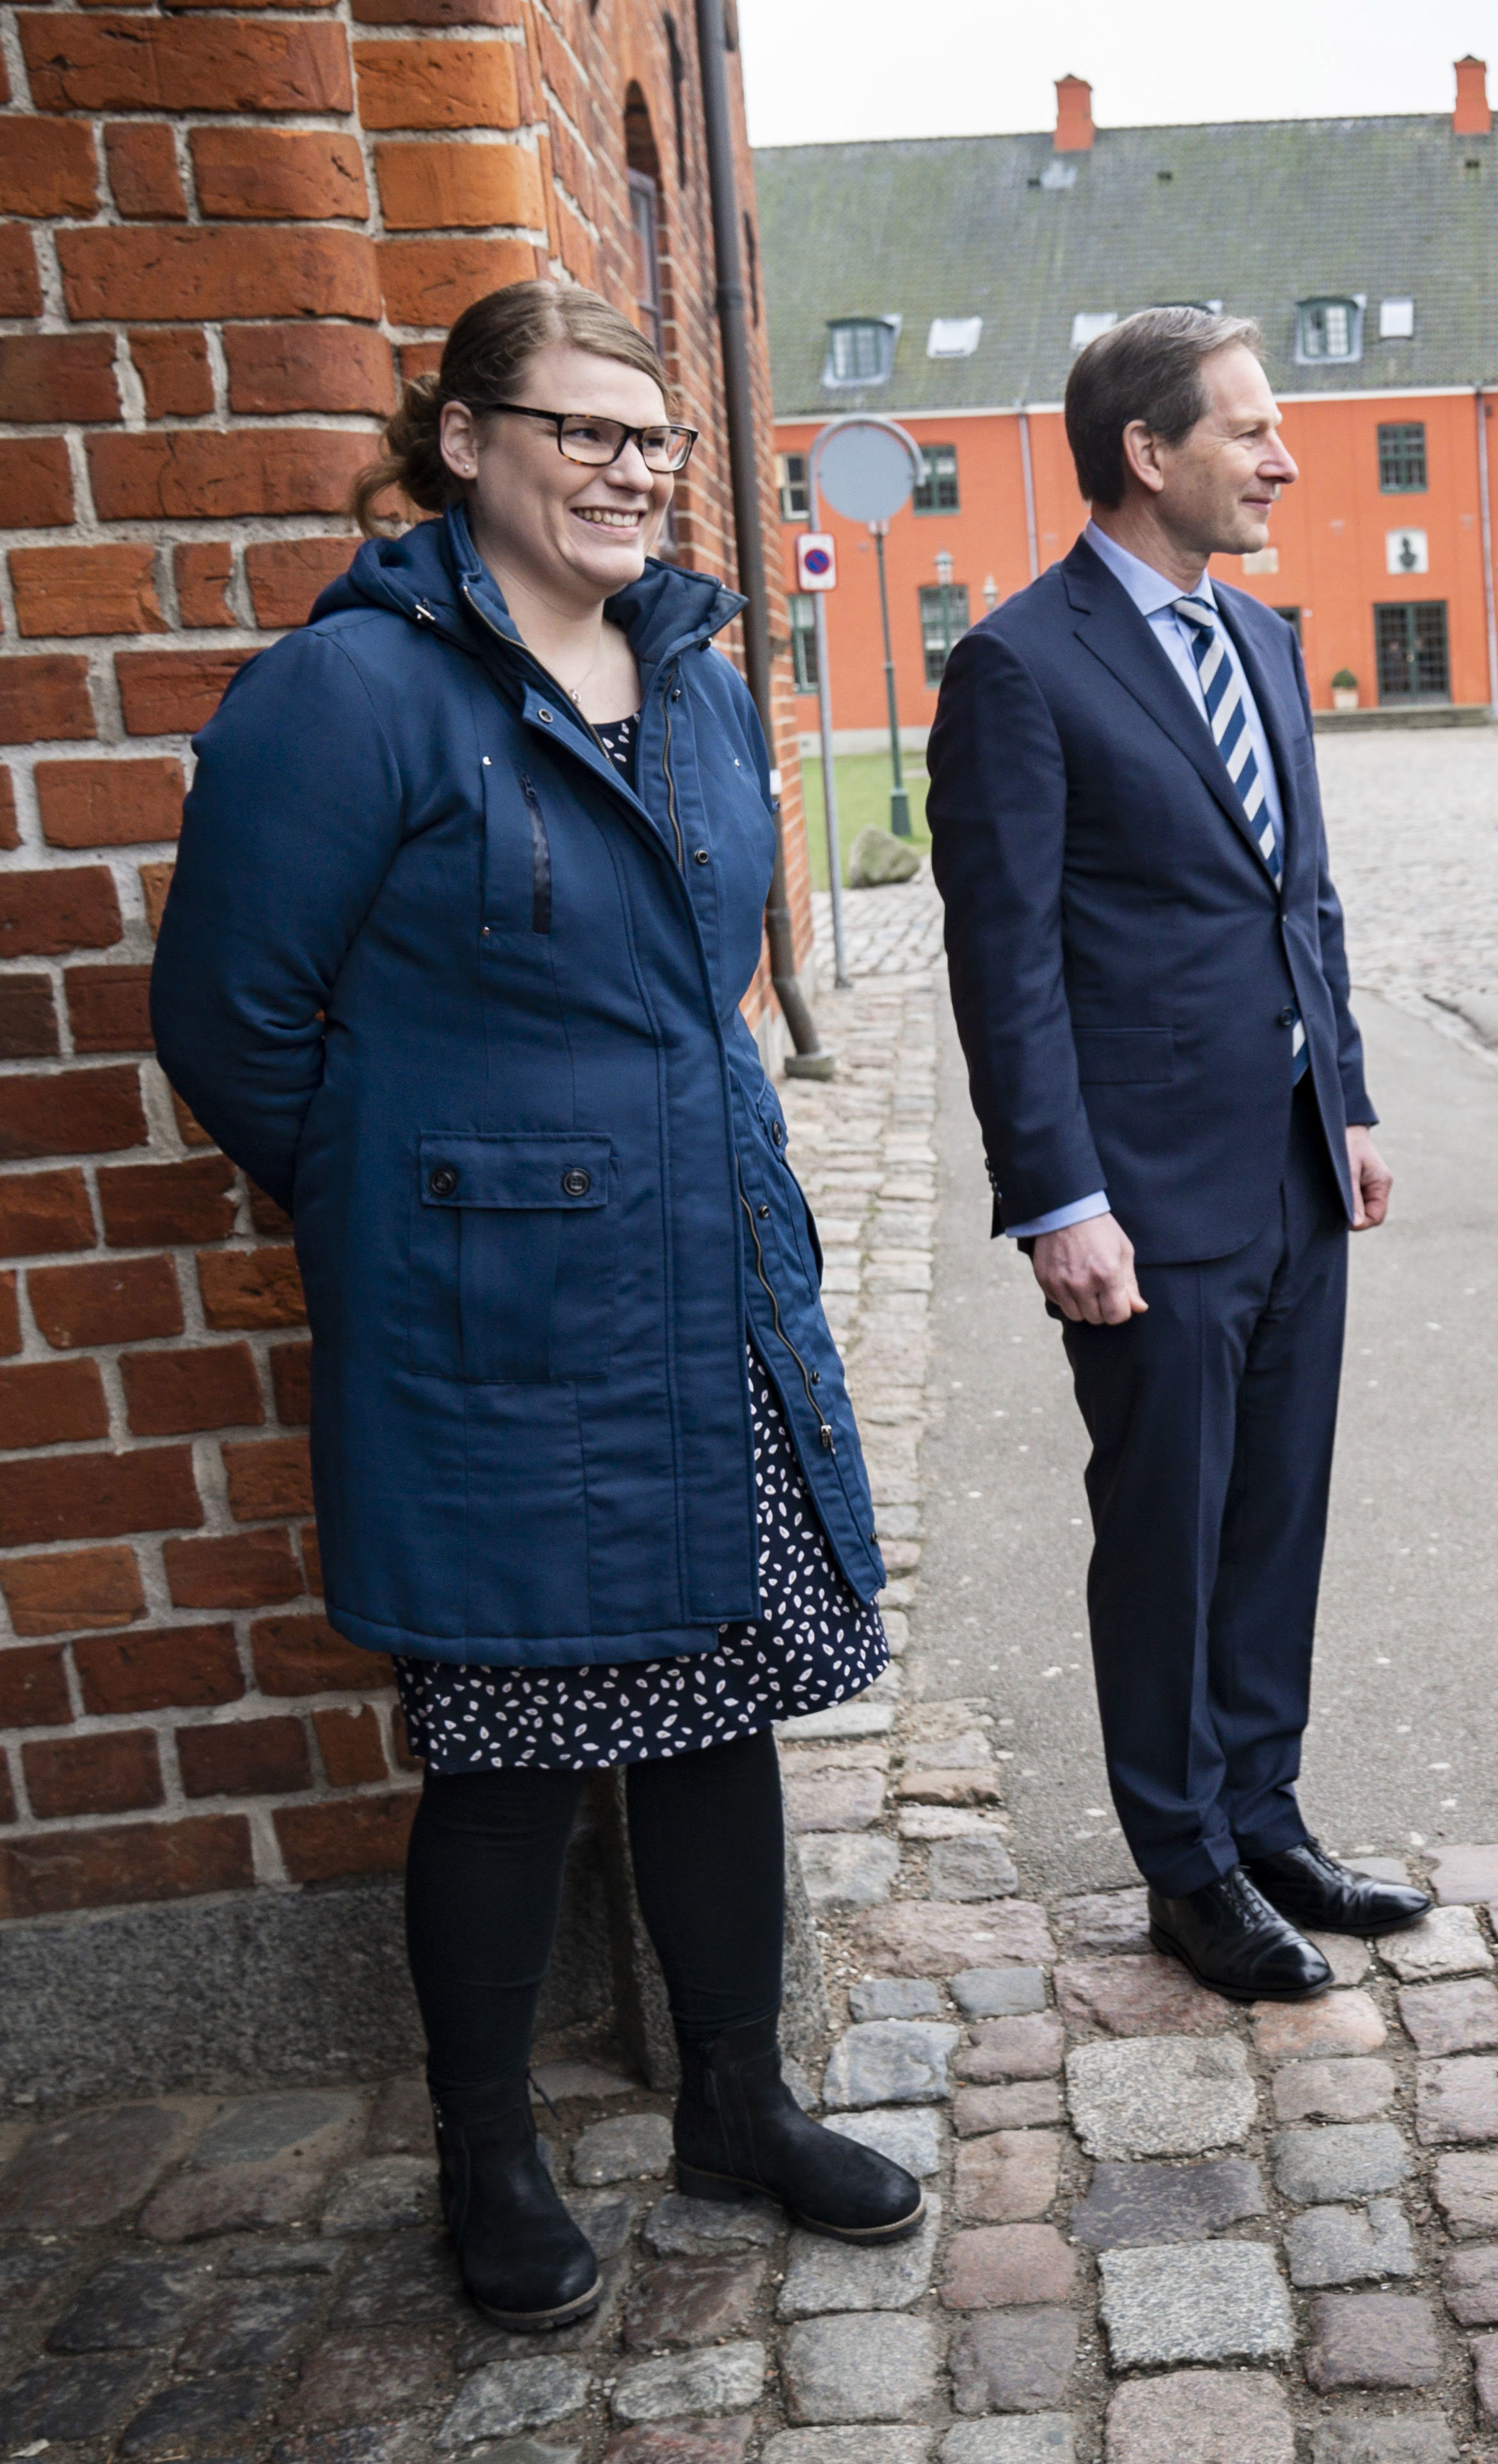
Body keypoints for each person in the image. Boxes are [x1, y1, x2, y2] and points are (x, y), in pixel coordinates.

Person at [152, 281, 920, 2332]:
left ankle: (737, 2102)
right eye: (579, 432)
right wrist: (431, 1204)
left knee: (721, 1704)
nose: (629, 471)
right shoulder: (356, 694)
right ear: (464, 444)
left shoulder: (693, 681)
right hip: (504, 1321)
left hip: (709, 1275)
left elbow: (700, 976)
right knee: (505, 1741)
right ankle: (480, 2151)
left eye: (652, 442)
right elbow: (232, 1022)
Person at [929, 308, 1429, 2003]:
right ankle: (1183, 1862)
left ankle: (1264, 1811)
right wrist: (1059, 1197)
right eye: (1253, 431)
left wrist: (1345, 1104)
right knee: (1168, 1526)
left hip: (1288, 1165)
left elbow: (1308, 901)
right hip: (1142, 1195)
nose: (1285, 460)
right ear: (1148, 454)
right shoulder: (1019, 665)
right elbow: (1002, 961)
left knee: (1274, 1513)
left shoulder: (1267, 643)